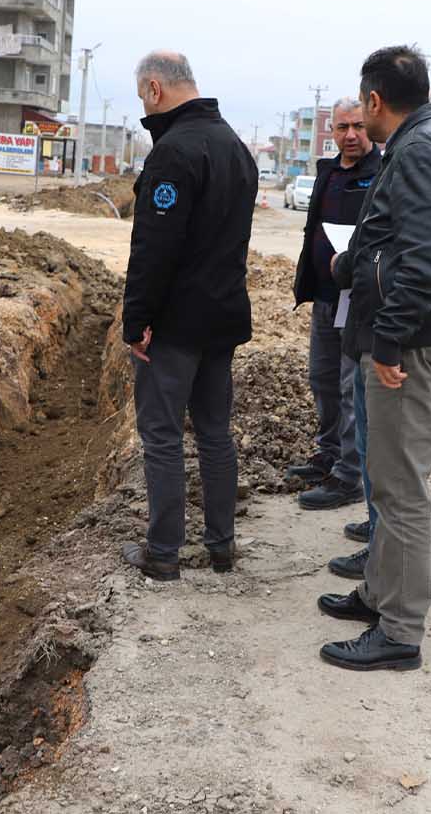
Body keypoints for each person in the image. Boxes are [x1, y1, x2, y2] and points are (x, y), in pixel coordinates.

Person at [315, 46, 431, 671]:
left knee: (399, 490)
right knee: (391, 479)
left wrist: (389, 339)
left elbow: (422, 259)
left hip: (412, 346)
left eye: (359, 108)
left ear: (372, 101)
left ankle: (400, 630)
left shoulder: (420, 150)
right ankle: (378, 593)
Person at [119, 51, 258, 581]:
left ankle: (163, 554)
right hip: (221, 318)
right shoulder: (234, 147)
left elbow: (154, 248)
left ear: (155, 89)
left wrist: (137, 321)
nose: (144, 110)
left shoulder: (174, 152)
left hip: (174, 326)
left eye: (141, 99)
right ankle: (222, 547)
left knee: (162, 435)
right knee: (216, 432)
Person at [286, 98, 381, 511]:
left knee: (349, 388)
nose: (350, 135)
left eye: (358, 126)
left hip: (358, 300)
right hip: (324, 297)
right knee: (322, 379)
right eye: (342, 127)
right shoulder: (327, 172)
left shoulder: (382, 172)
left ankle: (349, 473)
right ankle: (327, 452)